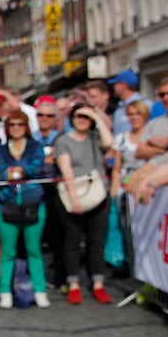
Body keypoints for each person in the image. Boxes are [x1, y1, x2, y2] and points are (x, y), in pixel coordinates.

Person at [54, 104, 114, 305]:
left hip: (98, 194)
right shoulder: (63, 141)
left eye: (85, 117)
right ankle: (73, 284)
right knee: (71, 241)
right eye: (78, 116)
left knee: (96, 241)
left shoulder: (95, 139)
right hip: (75, 193)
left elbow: (109, 142)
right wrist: (74, 198)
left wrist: (97, 119)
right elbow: (66, 169)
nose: (82, 120)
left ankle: (98, 282)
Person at [0, 111, 50, 310]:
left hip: (33, 203)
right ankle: (5, 291)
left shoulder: (35, 147)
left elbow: (36, 166)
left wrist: (18, 171)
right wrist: (16, 171)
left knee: (34, 250)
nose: (16, 127)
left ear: (26, 126)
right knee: (7, 252)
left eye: (20, 124)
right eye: (12, 124)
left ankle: (40, 290)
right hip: (7, 204)